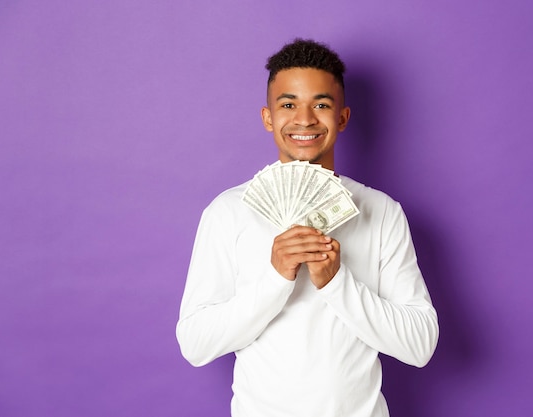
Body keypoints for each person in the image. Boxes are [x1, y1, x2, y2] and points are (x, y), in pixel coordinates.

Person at [176, 38, 439, 417]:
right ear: (268, 117)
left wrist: (336, 281)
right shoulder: (227, 212)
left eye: (321, 104)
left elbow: (419, 346)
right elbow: (196, 345)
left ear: (343, 117)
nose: (304, 119)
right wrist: (276, 277)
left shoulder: (382, 212)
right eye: (288, 105)